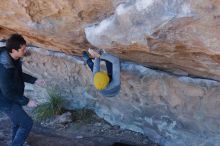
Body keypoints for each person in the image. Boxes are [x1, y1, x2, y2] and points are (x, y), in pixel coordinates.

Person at [0, 34, 40, 146]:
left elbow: (17, 74)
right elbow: (7, 91)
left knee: (17, 122)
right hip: (4, 100)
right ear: (14, 50)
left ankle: (15, 142)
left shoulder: (13, 58)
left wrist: (34, 80)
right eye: (23, 49)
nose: (25, 51)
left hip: (12, 95)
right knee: (26, 123)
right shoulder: (4, 67)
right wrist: (27, 101)